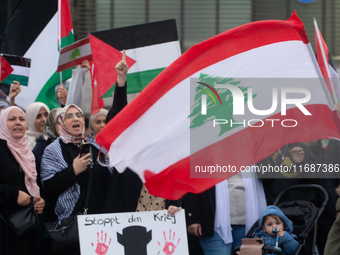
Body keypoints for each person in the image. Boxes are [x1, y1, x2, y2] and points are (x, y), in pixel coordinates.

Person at [40, 104, 113, 255]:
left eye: (79, 115)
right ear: (61, 122)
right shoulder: (53, 150)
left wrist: (111, 163)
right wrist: (73, 171)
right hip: (71, 224)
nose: (75, 119)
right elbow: (48, 186)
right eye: (69, 116)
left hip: (100, 223)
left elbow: (109, 182)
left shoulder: (96, 147)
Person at [184, 170, 267, 255]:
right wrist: (193, 218)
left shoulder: (252, 157)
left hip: (248, 224)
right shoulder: (203, 157)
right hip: (214, 225)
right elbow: (192, 184)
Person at [0, 106, 45, 255]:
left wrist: (40, 201)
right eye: (12, 119)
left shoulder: (29, 154)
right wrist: (13, 194)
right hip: (5, 228)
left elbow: (37, 185)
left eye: (21, 119)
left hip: (27, 226)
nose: (18, 123)